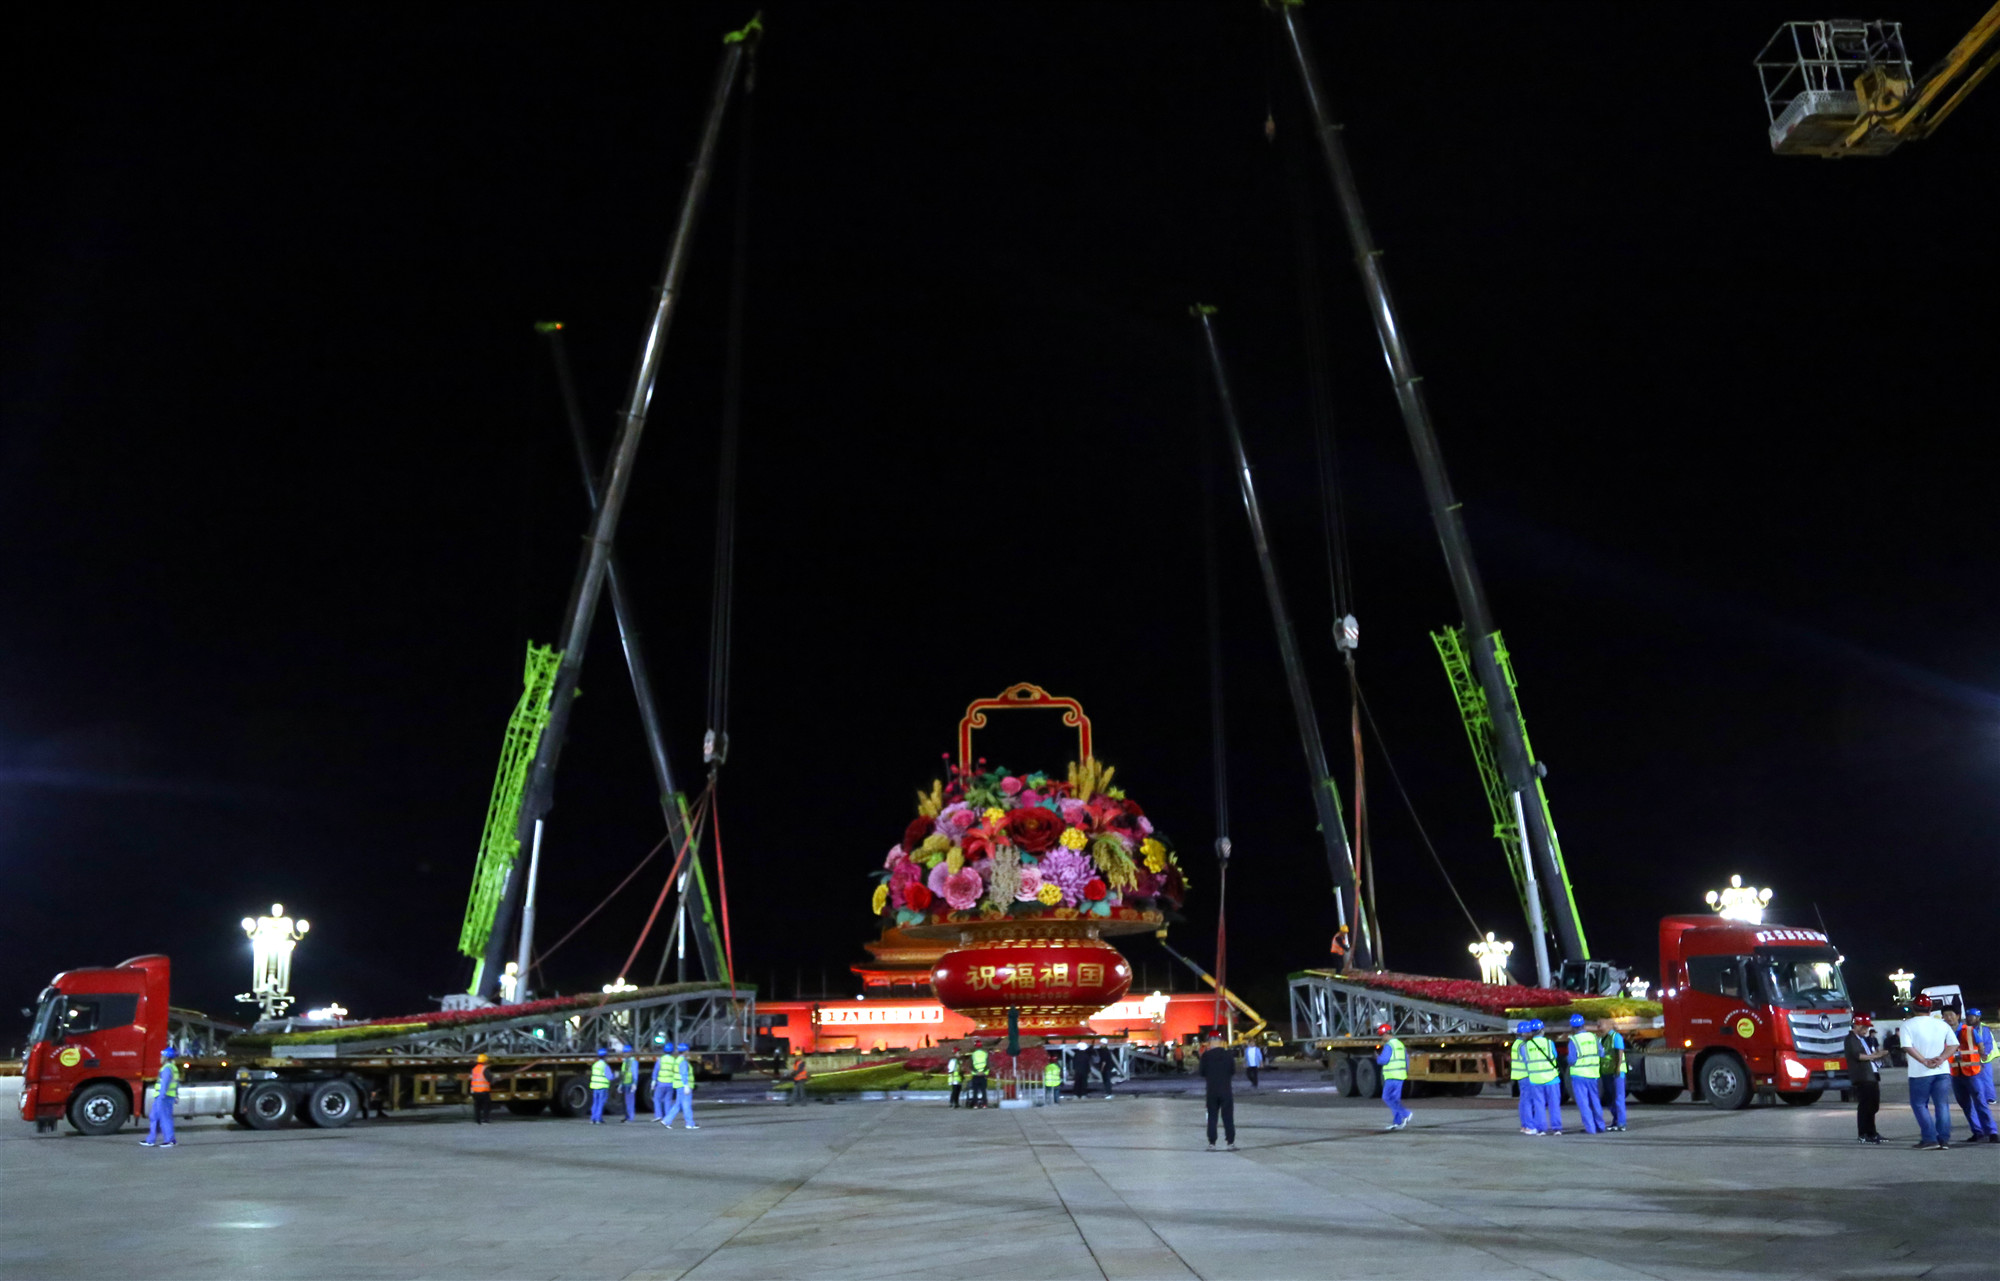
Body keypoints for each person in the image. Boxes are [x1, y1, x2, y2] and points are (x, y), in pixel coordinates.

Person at [1901, 997, 1956, 1149]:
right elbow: (1954, 1044)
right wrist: (1941, 1058)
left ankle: (1930, 1138)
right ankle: (1943, 1139)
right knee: (1942, 1105)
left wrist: (1924, 1061)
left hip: (1920, 1073)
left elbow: (1907, 1046)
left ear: (1914, 1008)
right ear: (1930, 1008)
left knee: (1919, 1104)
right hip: (1942, 1070)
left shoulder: (1908, 1025)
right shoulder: (1941, 1024)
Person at [1942, 1007, 1995, 1142]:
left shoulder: (1970, 1030)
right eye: (1945, 1015)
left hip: (1972, 1073)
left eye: (1951, 1015)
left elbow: (1981, 1045)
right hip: (1955, 1073)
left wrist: (1981, 1057)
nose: (1948, 1018)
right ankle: (1977, 1132)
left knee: (1980, 1102)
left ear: (1958, 1016)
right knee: (1965, 1105)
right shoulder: (1943, 1032)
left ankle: (1992, 1131)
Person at [1844, 1013, 1889, 1143]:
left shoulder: (1863, 1039)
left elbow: (1867, 1054)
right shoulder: (1851, 1039)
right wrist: (1875, 1056)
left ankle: (1872, 1132)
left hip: (1871, 1075)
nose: (1866, 1030)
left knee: (1873, 1105)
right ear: (1856, 1025)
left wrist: (1877, 1055)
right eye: (1864, 1027)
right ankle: (1864, 1133)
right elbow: (1858, 1056)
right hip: (1863, 1076)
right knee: (1865, 1106)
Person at [1565, 1014, 1605, 1135]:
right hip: (1593, 1075)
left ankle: (1590, 1128)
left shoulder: (1574, 1041)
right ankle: (1601, 1126)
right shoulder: (1593, 1037)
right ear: (1583, 1025)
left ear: (1573, 1027)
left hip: (1579, 1076)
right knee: (1595, 1101)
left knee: (1584, 1103)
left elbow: (1572, 1060)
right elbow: (1602, 1053)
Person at [1522, 1019, 1563, 1136]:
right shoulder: (1549, 1043)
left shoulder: (1526, 1046)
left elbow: (1526, 1061)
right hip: (1551, 1079)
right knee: (1554, 1104)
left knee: (1539, 1105)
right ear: (1542, 1030)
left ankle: (1541, 1129)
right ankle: (1557, 1128)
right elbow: (1554, 1056)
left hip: (1536, 1079)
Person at [1198, 1034, 1237, 1150]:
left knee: (1212, 1117)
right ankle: (1230, 1142)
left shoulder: (1206, 1056)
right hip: (1226, 1090)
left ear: (1210, 1042)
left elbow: (1201, 1072)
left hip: (1212, 1091)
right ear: (1220, 1042)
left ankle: (1212, 1143)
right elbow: (1233, 1071)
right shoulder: (1228, 1055)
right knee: (1228, 1117)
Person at [1376, 1022, 1412, 1131]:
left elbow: (1384, 1060)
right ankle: (1397, 1122)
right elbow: (1406, 1060)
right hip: (1400, 1076)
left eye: (1381, 1036)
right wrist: (1405, 1072)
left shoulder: (1389, 1046)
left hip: (1391, 1076)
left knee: (1386, 1097)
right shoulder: (1400, 1044)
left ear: (1386, 1034)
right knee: (1395, 1099)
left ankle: (1406, 1113)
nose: (1382, 1038)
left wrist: (1377, 1058)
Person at [140, 1046, 178, 1147]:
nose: (160, 1058)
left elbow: (165, 1084)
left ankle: (170, 1140)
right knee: (154, 1117)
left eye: (162, 1056)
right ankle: (151, 1140)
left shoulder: (167, 1069)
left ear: (166, 1057)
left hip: (164, 1097)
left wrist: (162, 1096)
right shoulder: (168, 1068)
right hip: (161, 1097)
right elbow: (176, 1083)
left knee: (165, 1118)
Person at [1599, 1018, 1629, 1132]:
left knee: (1618, 1097)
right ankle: (1616, 1120)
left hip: (1617, 1072)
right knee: (1611, 1098)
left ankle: (1621, 1123)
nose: (1598, 1028)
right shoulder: (1603, 1038)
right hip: (1607, 1071)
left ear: (1609, 1025)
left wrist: (1617, 1067)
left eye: (1600, 1025)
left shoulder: (1616, 1037)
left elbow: (1619, 1052)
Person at [1511, 1022, 1540, 1135]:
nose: (1530, 1034)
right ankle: (1529, 1126)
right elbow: (1527, 1061)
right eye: (1527, 1032)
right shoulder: (1523, 1045)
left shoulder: (1516, 1044)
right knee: (1528, 1101)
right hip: (1526, 1075)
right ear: (1522, 1033)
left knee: (1523, 1101)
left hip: (1520, 1075)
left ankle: (1524, 1125)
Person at [1968, 1009, 1997, 1120]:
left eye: (1972, 1016)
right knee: (1977, 1079)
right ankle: (1982, 1098)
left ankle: (1990, 1098)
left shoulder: (1982, 1028)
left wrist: (1984, 1054)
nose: (1970, 1018)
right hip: (1974, 1058)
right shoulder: (1970, 1028)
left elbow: (1988, 1042)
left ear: (1978, 1017)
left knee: (1986, 1079)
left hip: (1984, 1058)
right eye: (1969, 1016)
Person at [664, 1043, 697, 1129]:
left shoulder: (677, 1060)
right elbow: (684, 1074)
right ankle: (690, 1124)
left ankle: (666, 1120)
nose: (688, 1052)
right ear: (685, 1051)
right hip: (683, 1086)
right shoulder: (683, 1061)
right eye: (688, 1050)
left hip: (678, 1085)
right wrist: (686, 1085)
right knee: (686, 1105)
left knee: (678, 1104)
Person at [588, 1048, 612, 1124]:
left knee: (595, 1102)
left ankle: (593, 1118)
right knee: (601, 1103)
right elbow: (610, 1076)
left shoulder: (595, 1065)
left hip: (595, 1086)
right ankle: (598, 1118)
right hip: (602, 1086)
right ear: (605, 1057)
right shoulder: (605, 1066)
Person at [654, 1049, 678, 1122]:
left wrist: (653, 1080)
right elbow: (676, 1071)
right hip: (670, 1083)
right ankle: (667, 1117)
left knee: (657, 1099)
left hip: (661, 1083)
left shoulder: (660, 1060)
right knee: (668, 1100)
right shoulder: (674, 1060)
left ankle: (658, 1115)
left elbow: (656, 1070)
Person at [470, 1053, 494, 1125]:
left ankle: (478, 1120)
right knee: (486, 1106)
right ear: (485, 1061)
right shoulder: (485, 1069)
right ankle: (485, 1120)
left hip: (475, 1091)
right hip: (483, 1091)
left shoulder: (474, 1069)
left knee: (477, 1106)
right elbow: (489, 1079)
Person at [968, 1041, 990, 1109]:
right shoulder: (985, 1054)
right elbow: (988, 1064)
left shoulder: (973, 1055)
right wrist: (983, 1071)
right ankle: (984, 1104)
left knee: (975, 1091)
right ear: (981, 1046)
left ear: (975, 1046)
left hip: (976, 1075)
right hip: (983, 1075)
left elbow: (970, 1065)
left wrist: (977, 1072)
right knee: (983, 1091)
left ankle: (975, 1104)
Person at [617, 1051, 638, 1122]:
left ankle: (631, 1118)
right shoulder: (625, 1062)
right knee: (626, 1102)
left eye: (626, 1052)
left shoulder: (633, 1062)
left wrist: (634, 1083)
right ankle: (627, 1116)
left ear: (630, 1053)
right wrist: (620, 1084)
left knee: (630, 1102)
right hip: (625, 1083)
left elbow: (635, 1073)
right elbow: (623, 1074)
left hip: (630, 1084)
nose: (624, 1054)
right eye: (624, 1052)